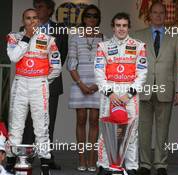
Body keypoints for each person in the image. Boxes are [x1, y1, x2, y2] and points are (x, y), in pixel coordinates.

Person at [132, 2, 178, 175]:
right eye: (155, 12)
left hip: (166, 90)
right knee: (144, 130)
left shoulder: (175, 36)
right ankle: (145, 165)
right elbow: (133, 65)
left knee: (163, 131)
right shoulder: (137, 36)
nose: (158, 16)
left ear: (166, 15)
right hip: (143, 90)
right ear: (149, 15)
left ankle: (161, 164)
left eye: (161, 13)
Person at [6, 8, 61, 175]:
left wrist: (42, 79)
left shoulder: (49, 40)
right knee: (16, 125)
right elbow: (14, 57)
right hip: (20, 83)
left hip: (39, 85)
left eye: (35, 18)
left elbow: (57, 67)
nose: (31, 21)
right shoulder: (14, 37)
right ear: (23, 21)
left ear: (39, 20)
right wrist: (27, 37)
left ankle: (45, 164)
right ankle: (10, 162)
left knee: (41, 126)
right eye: (28, 18)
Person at [95, 12, 147, 175]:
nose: (121, 29)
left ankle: (131, 168)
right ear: (113, 27)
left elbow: (142, 73)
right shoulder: (102, 46)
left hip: (129, 94)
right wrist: (110, 93)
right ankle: (103, 166)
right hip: (109, 93)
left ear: (128, 27)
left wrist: (128, 95)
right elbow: (98, 72)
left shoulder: (139, 46)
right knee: (105, 133)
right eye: (118, 25)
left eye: (124, 25)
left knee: (131, 132)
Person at [22, 0, 68, 170]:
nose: (37, 10)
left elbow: (62, 56)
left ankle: (46, 158)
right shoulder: (24, 29)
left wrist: (47, 74)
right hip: (28, 81)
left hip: (51, 82)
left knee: (49, 121)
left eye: (40, 7)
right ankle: (25, 156)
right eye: (36, 6)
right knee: (28, 121)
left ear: (49, 10)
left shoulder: (60, 30)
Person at [67, 4, 104, 172]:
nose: (91, 18)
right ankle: (81, 158)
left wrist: (97, 85)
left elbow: (106, 65)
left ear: (98, 20)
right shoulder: (74, 36)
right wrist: (81, 84)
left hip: (97, 83)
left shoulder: (104, 38)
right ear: (83, 18)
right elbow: (71, 63)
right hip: (79, 82)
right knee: (81, 120)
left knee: (94, 120)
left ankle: (92, 159)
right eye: (88, 15)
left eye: (95, 16)